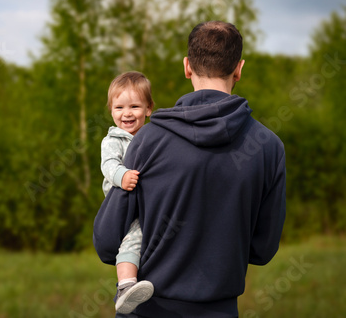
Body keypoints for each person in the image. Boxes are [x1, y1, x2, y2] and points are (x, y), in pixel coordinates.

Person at [93, 21, 286, 318]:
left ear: (187, 67)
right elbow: (262, 249)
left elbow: (108, 242)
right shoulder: (269, 147)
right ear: (238, 69)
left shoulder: (148, 139)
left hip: (147, 309)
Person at [100, 71, 155, 314]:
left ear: (148, 109)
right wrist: (121, 175)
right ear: (111, 110)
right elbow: (108, 164)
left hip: (145, 201)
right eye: (119, 107)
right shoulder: (113, 139)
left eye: (134, 106)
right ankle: (125, 285)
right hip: (122, 202)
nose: (127, 113)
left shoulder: (152, 137)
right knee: (133, 236)